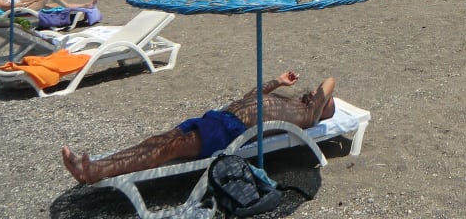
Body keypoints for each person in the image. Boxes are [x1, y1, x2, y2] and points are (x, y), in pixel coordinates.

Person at [61, 71, 337, 183]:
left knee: (168, 148)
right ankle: (98, 164)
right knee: (160, 140)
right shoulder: (284, 101)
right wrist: (277, 82)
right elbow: (250, 97)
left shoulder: (308, 115)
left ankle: (94, 171)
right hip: (219, 118)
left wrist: (322, 98)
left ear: (322, 110)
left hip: (230, 131)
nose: (317, 95)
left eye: (324, 102)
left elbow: (330, 80)